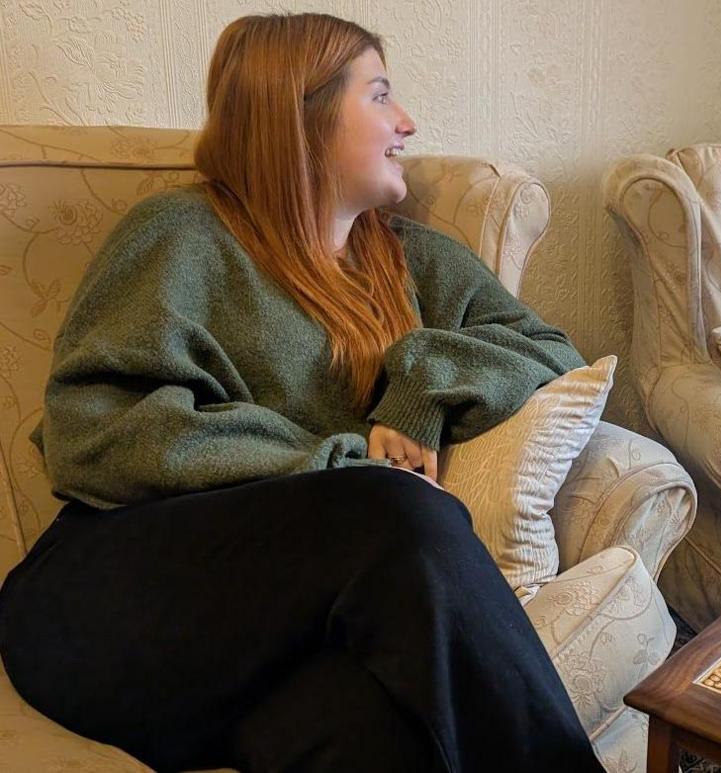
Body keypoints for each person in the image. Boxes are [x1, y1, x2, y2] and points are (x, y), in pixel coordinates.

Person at [0, 13, 604, 773]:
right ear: (303, 116)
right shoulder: (183, 234)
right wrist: (336, 463)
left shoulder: (413, 261)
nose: (407, 121)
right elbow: (94, 435)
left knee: (370, 726)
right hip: (110, 599)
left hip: (273, 649)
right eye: (380, 95)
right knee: (401, 511)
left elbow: (550, 349)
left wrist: (417, 387)